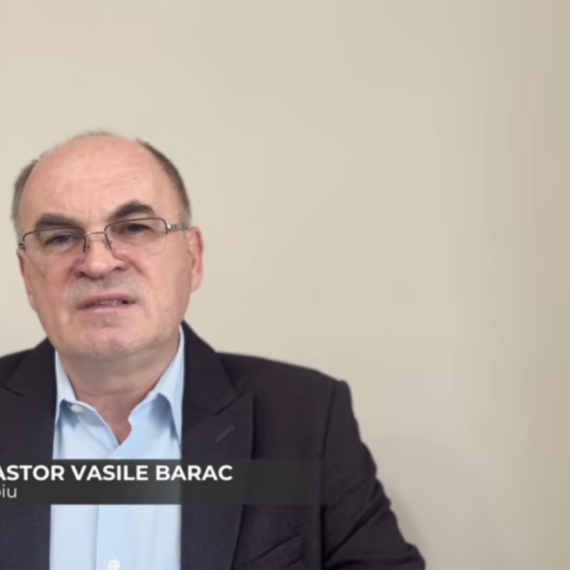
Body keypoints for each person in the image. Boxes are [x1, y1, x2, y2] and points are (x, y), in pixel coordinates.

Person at [0, 132, 425, 570]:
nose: (98, 262)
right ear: (28, 277)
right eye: (60, 238)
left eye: (134, 228)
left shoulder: (308, 419)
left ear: (193, 258)